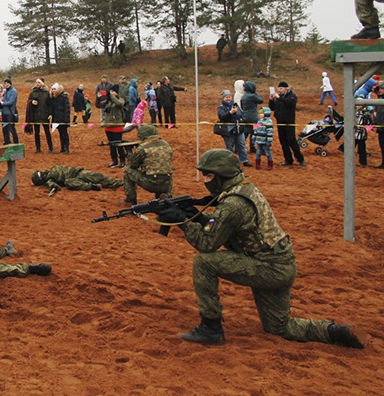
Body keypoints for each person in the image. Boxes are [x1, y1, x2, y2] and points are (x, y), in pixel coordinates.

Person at [156, 148, 365, 348]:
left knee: (203, 263)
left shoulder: (233, 204)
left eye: (209, 176)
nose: (205, 181)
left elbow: (206, 244)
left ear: (222, 175)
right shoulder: (243, 189)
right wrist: (200, 217)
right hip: (281, 263)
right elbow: (223, 224)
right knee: (279, 327)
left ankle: (210, 327)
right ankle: (335, 332)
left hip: (267, 266)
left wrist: (182, 221)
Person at [121, 125, 173, 205]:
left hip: (151, 183)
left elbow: (133, 165)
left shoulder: (143, 147)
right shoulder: (166, 144)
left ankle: (130, 200)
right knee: (161, 172)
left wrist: (129, 152)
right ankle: (165, 196)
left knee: (128, 171)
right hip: (167, 183)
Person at [269, 81, 306, 167]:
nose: (279, 90)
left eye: (281, 88)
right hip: (280, 122)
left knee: (292, 141)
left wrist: (278, 98)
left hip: (289, 122)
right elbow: (272, 107)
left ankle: (300, 159)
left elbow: (290, 103)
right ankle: (288, 159)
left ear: (286, 89)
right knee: (283, 141)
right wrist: (271, 100)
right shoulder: (279, 97)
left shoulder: (292, 96)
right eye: (278, 88)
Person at [31, 165, 123, 196]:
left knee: (101, 177)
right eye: (40, 175)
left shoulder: (53, 168)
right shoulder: (49, 180)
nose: (43, 172)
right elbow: (55, 187)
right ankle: (92, 186)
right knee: (69, 183)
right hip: (73, 179)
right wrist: (52, 189)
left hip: (79, 172)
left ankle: (122, 183)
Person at [216, 90, 250, 166]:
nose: (228, 98)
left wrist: (242, 120)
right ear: (223, 98)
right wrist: (230, 113)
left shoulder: (235, 105)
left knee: (241, 145)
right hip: (228, 130)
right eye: (226, 97)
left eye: (230, 97)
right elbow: (222, 117)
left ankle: (244, 160)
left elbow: (241, 114)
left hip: (238, 129)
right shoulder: (221, 108)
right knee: (229, 146)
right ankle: (229, 161)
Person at [102, 85, 129, 168]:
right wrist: (99, 97)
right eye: (111, 91)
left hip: (117, 126)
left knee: (118, 144)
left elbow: (119, 104)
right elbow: (98, 105)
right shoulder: (108, 101)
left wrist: (111, 96)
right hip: (108, 126)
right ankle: (114, 160)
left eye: (113, 91)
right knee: (111, 145)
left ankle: (122, 160)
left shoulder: (120, 99)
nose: (112, 93)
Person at [27, 78, 53, 153]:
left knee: (47, 132)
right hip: (36, 115)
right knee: (37, 133)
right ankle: (38, 148)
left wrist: (50, 113)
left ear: (42, 83)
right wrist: (32, 102)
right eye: (36, 82)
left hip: (45, 115)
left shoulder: (47, 93)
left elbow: (50, 104)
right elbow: (28, 101)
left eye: (39, 82)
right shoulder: (33, 92)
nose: (37, 84)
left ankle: (50, 148)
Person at [240, 81, 263, 154]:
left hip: (245, 116)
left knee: (245, 132)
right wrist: (255, 93)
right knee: (254, 132)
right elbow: (260, 100)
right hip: (253, 117)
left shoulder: (244, 96)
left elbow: (242, 107)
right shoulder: (253, 96)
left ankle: (238, 147)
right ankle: (252, 147)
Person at [49, 82, 71, 154]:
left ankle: (67, 148)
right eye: (52, 89)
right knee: (61, 134)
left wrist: (66, 120)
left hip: (63, 119)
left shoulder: (64, 97)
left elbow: (67, 109)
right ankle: (62, 148)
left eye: (54, 89)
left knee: (65, 134)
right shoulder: (54, 98)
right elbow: (53, 109)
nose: (53, 90)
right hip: (57, 119)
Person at [373, 81, 384, 169]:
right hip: (381, 128)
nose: (381, 90)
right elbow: (376, 114)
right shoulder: (379, 100)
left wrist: (381, 127)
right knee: (383, 146)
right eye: (380, 88)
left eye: (383, 88)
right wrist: (375, 125)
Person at [0, 78, 19, 145]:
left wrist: (3, 103)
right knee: (4, 128)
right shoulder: (6, 91)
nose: (6, 84)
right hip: (4, 112)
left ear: (10, 84)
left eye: (7, 83)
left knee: (11, 128)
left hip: (10, 113)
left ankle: (16, 142)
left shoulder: (13, 91)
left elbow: (11, 102)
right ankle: (7, 141)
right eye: (5, 83)